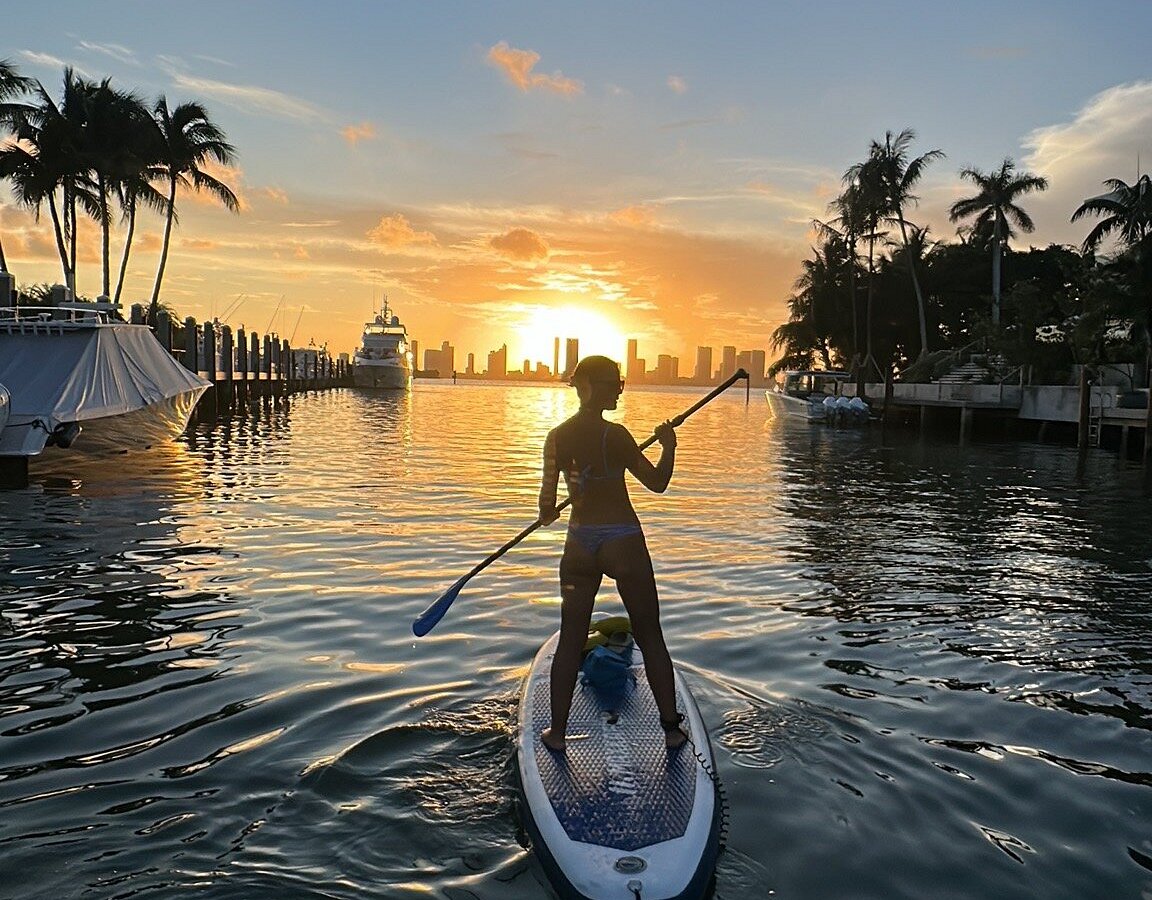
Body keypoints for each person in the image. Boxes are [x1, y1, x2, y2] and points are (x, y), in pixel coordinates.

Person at [537, 355, 687, 751]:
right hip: (622, 540)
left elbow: (547, 512)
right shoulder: (617, 436)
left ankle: (557, 733)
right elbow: (657, 482)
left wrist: (571, 491)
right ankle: (671, 730)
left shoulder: (556, 437)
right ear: (590, 386)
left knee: (571, 640)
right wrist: (668, 447)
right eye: (613, 383)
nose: (620, 389)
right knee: (650, 634)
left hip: (579, 544)